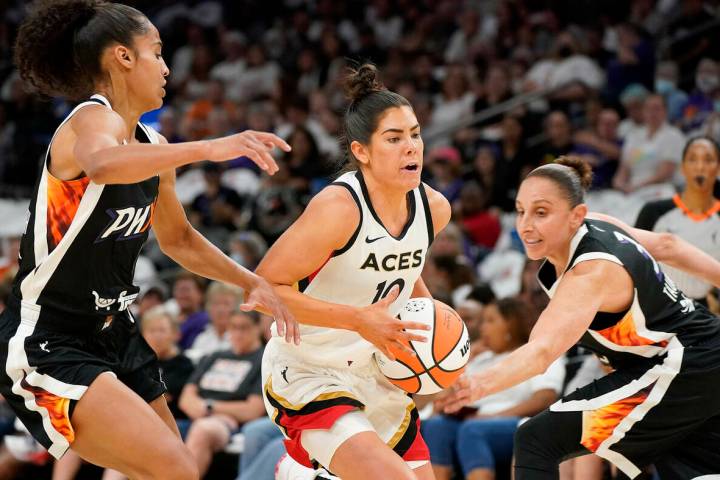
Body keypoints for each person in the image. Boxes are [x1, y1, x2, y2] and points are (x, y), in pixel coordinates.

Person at [1, 2, 295, 479]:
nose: (165, 67)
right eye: (156, 53)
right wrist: (207, 148)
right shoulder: (89, 120)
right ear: (122, 57)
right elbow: (101, 163)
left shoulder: (153, 147)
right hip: (50, 334)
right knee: (174, 469)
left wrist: (249, 281)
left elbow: (178, 238)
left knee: (167, 474)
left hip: (116, 331)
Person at [439, 155, 720, 479]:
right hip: (698, 357)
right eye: (520, 211)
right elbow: (668, 246)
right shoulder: (597, 226)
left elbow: (541, 352)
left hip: (681, 364)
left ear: (576, 216)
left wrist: (476, 385)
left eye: (541, 212)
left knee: (536, 439)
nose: (525, 225)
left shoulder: (589, 273)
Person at [255, 63, 452, 480]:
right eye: (394, 138)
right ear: (361, 151)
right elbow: (263, 291)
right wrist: (358, 320)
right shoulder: (338, 209)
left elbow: (406, 273)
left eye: (415, 134)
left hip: (375, 371)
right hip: (308, 370)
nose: (412, 147)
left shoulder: (435, 208)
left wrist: (436, 339)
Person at [424, 298, 563, 480]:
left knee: (472, 430)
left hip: (515, 422)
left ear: (511, 324)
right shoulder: (482, 358)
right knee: (436, 426)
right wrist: (467, 358)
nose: (482, 329)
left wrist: (497, 416)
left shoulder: (535, 353)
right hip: (473, 419)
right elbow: (445, 396)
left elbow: (544, 398)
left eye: (490, 321)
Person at [179, 310, 266, 478]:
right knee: (146, 428)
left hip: (230, 426)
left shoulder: (262, 359)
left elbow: (253, 410)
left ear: (258, 328)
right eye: (233, 327)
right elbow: (186, 397)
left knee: (203, 429)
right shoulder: (214, 356)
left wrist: (210, 407)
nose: (238, 333)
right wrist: (202, 408)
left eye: (244, 328)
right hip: (196, 417)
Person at [635, 137, 720, 306]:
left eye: (708, 160)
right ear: (682, 167)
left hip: (708, 312)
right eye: (692, 159)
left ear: (718, 168)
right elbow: (634, 264)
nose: (700, 167)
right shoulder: (653, 212)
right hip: (658, 308)